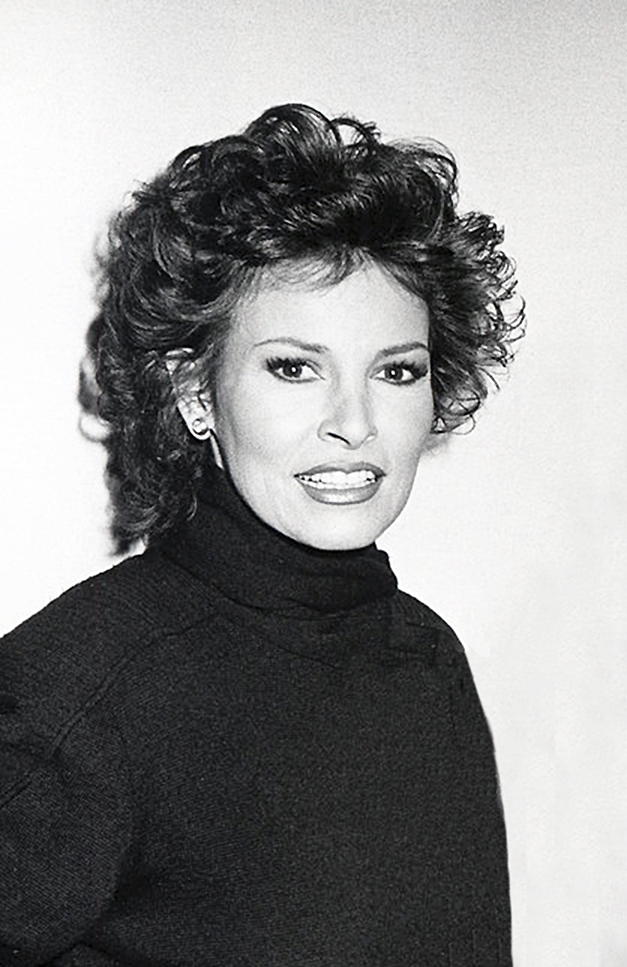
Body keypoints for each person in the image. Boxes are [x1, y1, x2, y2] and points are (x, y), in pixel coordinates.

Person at [0, 103, 523, 966]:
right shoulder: (80, 686)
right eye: (293, 367)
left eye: (396, 370)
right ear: (195, 394)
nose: (353, 422)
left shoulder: (426, 657)